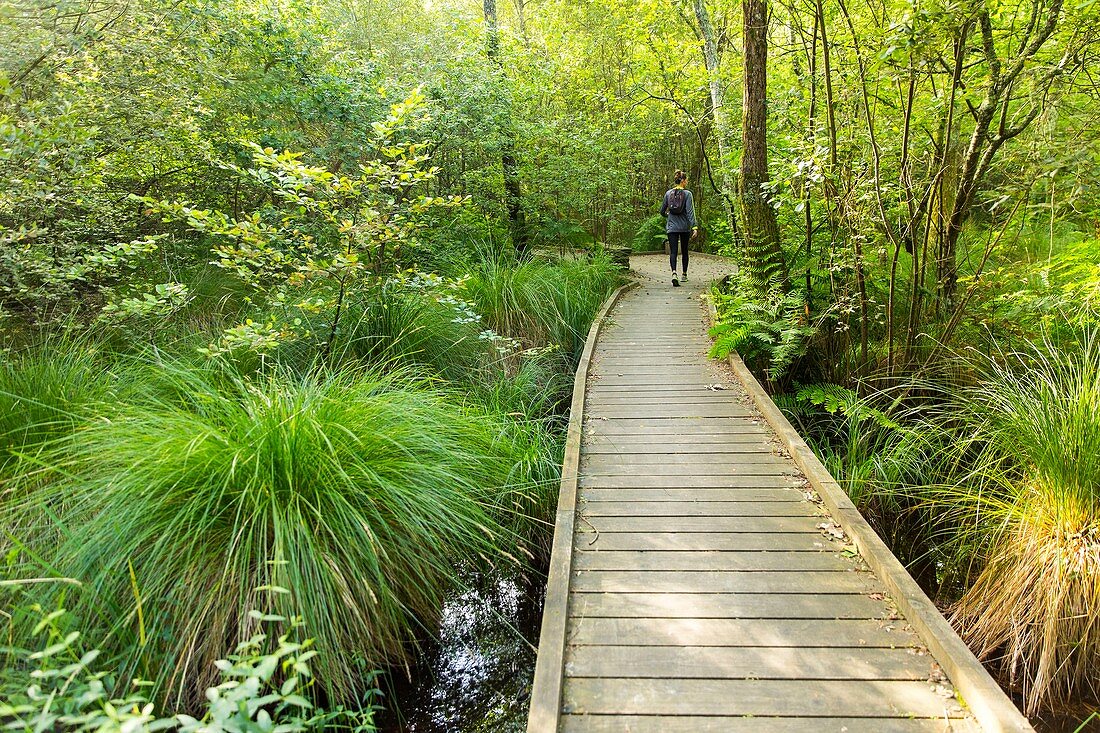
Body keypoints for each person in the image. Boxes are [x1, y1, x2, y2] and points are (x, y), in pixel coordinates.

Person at [659, 169, 698, 286]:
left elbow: (662, 211)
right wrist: (694, 227)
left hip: (671, 227)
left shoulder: (668, 193)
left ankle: (674, 273)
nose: (687, 182)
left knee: (673, 251)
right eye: (686, 180)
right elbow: (690, 212)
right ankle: (684, 274)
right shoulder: (688, 194)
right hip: (684, 227)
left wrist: (669, 216)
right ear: (683, 181)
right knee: (685, 251)